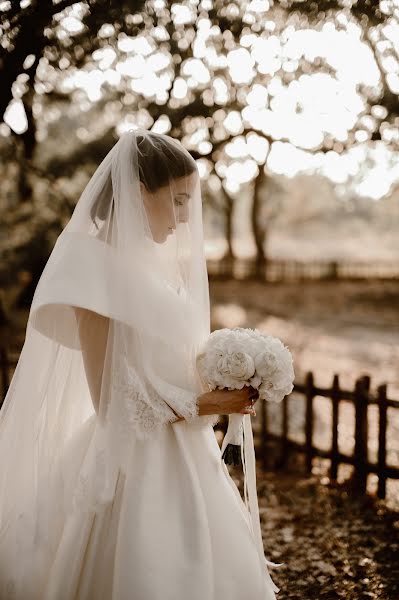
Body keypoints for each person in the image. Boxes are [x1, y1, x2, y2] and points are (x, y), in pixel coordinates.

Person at [0, 129, 280, 599]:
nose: (185, 218)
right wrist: (207, 403)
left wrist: (228, 371)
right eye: (177, 200)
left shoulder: (150, 266)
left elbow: (161, 362)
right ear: (137, 193)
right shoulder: (91, 269)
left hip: (187, 454)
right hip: (136, 468)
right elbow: (111, 404)